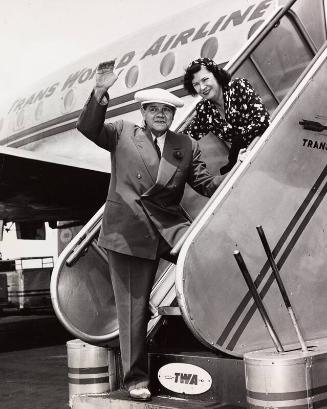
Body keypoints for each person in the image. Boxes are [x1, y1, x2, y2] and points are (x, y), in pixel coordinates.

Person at [76, 61, 224, 402]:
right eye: (154, 109)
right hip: (128, 230)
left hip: (170, 227)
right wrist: (100, 91)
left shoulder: (184, 145)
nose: (160, 114)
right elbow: (87, 127)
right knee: (134, 310)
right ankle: (136, 380)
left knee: (213, 263)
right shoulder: (121, 133)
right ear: (143, 112)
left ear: (173, 115)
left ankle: (218, 336)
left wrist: (236, 170)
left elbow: (204, 183)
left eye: (166, 110)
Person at [183, 57, 270, 174]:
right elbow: (187, 137)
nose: (202, 87)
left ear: (216, 75)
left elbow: (262, 121)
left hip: (267, 144)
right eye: (196, 84)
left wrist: (236, 147)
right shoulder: (204, 110)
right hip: (245, 160)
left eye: (205, 80)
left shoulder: (238, 87)